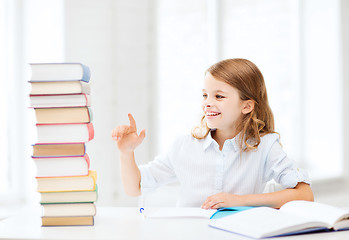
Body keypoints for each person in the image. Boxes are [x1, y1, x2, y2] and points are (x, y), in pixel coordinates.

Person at [111, 58, 314, 209]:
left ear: (246, 106)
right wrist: (126, 153)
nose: (207, 102)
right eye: (205, 95)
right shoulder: (184, 146)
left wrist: (240, 201)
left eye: (219, 96)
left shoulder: (266, 146)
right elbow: (135, 188)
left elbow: (305, 194)